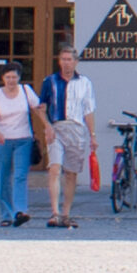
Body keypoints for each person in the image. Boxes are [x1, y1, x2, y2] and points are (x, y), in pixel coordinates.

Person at [36, 48, 95, 229]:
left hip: (76, 128)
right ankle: (55, 213)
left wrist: (92, 135)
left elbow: (89, 110)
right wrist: (47, 127)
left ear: (76, 62)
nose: (66, 62)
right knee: (54, 168)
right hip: (57, 127)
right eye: (63, 59)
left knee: (71, 173)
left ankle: (66, 213)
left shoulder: (84, 83)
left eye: (70, 59)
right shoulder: (50, 81)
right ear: (59, 61)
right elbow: (41, 107)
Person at [0, 64, 36, 227]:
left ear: (19, 77)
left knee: (20, 175)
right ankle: (6, 214)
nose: (11, 80)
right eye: (8, 77)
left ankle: (20, 211)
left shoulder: (26, 90)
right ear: (3, 78)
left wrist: (48, 126)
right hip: (3, 140)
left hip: (24, 138)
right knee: (4, 176)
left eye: (14, 77)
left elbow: (38, 108)